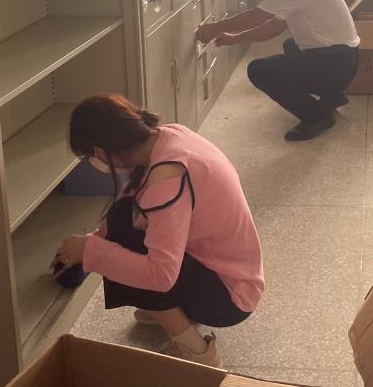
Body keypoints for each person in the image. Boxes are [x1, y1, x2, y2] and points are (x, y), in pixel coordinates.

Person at [53, 94, 263, 367]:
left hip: (229, 298)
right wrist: (90, 244)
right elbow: (130, 206)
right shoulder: (169, 137)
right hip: (236, 274)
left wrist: (92, 251)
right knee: (119, 226)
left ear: (101, 152)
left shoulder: (168, 176)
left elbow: (160, 275)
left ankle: (196, 350)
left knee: (126, 253)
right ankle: (169, 308)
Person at [196, 0, 360, 141]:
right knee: (291, 45)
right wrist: (235, 38)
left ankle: (317, 116)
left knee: (258, 70)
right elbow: (274, 27)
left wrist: (214, 28)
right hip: (345, 59)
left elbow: (256, 17)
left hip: (335, 64)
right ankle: (332, 96)